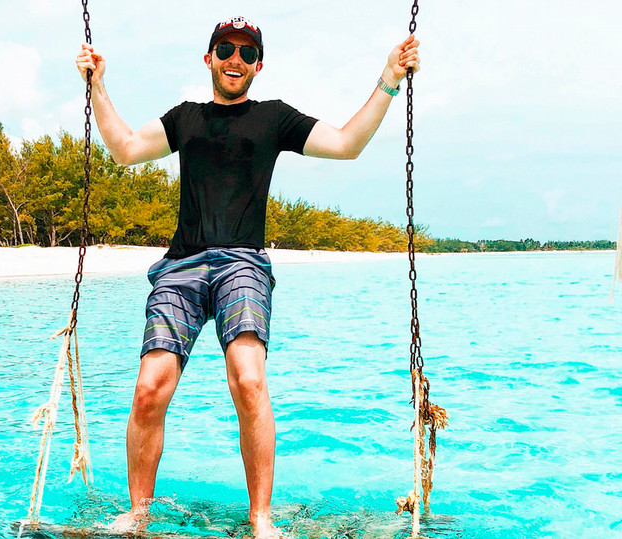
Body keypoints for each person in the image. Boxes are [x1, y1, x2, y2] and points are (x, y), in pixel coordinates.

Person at [75, 16, 419, 539]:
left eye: (245, 52)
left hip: (243, 265)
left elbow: (349, 143)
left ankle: (261, 519)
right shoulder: (186, 118)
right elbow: (123, 149)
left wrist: (389, 79)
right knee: (149, 388)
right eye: (225, 49)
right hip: (181, 266)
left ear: (258, 64)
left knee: (250, 379)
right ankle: (137, 513)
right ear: (208, 57)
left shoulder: (274, 119)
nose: (234, 59)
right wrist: (97, 86)